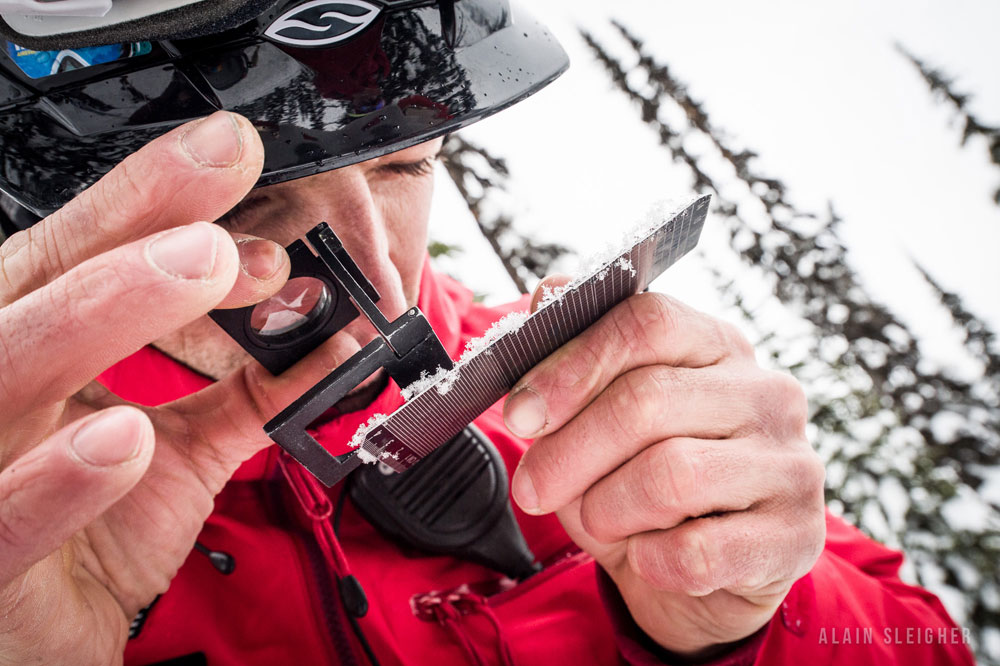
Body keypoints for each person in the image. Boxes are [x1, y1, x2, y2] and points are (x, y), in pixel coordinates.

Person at [0, 1, 975, 664]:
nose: (383, 280)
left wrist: (740, 620)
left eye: (403, 164)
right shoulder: (28, 549)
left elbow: (925, 646)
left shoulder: (566, 387)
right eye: (249, 196)